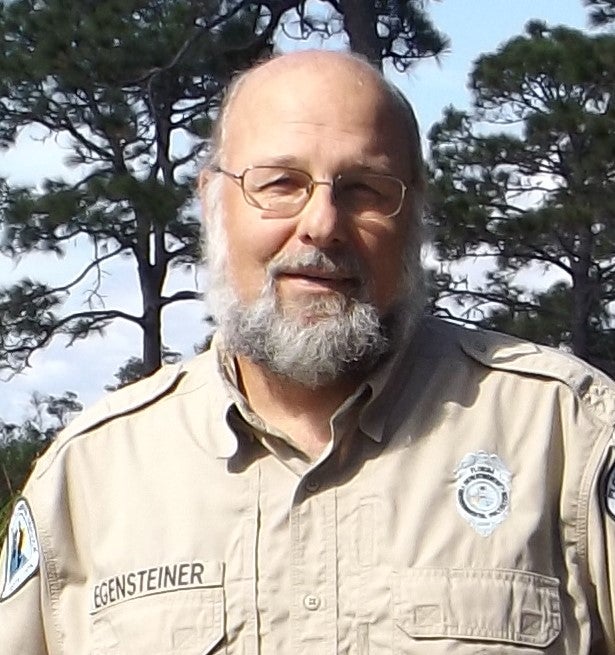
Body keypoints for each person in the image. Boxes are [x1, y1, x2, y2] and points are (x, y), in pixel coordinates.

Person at [1, 49, 615, 655]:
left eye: (365, 189)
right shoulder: (89, 477)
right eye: (281, 184)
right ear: (212, 201)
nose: (322, 223)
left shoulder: (567, 437)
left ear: (415, 211)